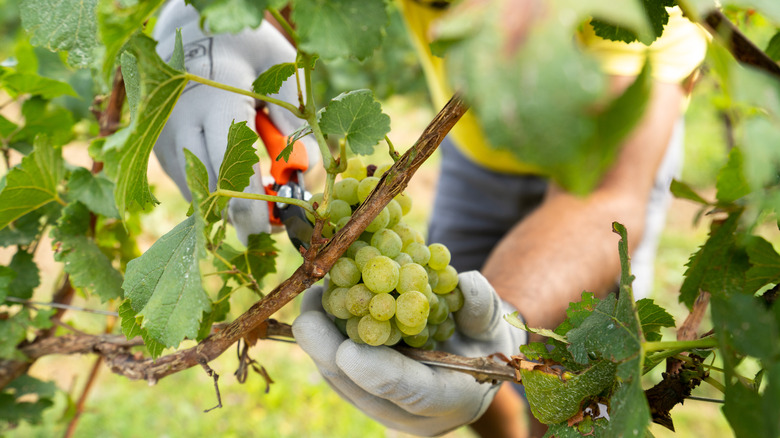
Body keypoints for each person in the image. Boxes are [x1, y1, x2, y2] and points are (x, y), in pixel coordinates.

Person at [152, 1, 709, 436]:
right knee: (450, 361)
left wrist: (507, 323)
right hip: (475, 149)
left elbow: (608, 198)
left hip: (601, 168)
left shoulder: (639, 11)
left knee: (563, 390)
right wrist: (208, 22)